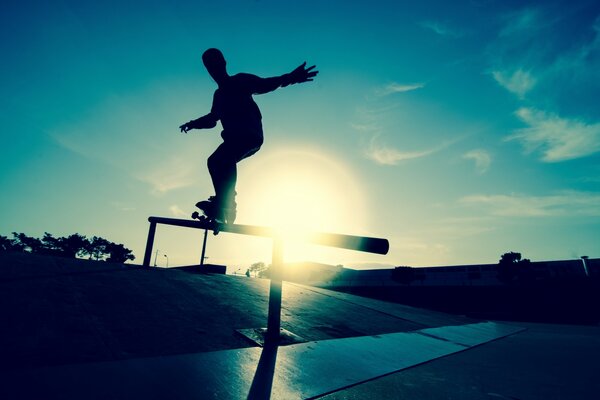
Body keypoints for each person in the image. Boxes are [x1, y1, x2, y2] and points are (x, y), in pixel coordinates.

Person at [179, 48, 318, 223]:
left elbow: (265, 84)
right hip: (233, 138)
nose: (214, 71)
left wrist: (291, 78)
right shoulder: (219, 95)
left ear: (223, 64)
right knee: (214, 161)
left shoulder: (240, 80)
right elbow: (212, 119)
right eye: (210, 68)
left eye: (216, 65)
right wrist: (193, 124)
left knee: (225, 158)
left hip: (250, 134)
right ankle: (223, 202)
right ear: (208, 70)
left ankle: (227, 204)